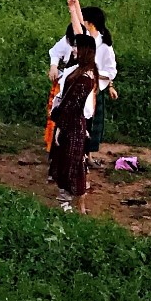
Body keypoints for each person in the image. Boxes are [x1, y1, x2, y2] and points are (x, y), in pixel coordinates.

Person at [49, 0, 118, 155]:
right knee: (69, 123)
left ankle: (80, 158)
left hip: (89, 89)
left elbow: (110, 72)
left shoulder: (97, 46)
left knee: (82, 125)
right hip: (77, 84)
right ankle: (67, 156)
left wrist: (74, 4)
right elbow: (77, 23)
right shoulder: (83, 39)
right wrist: (73, 2)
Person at [49, 34, 99, 214]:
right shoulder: (82, 71)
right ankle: (66, 203)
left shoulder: (85, 77)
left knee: (70, 163)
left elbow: (71, 106)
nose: (73, 49)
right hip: (73, 124)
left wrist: (60, 127)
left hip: (72, 126)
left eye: (77, 46)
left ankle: (66, 205)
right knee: (68, 161)